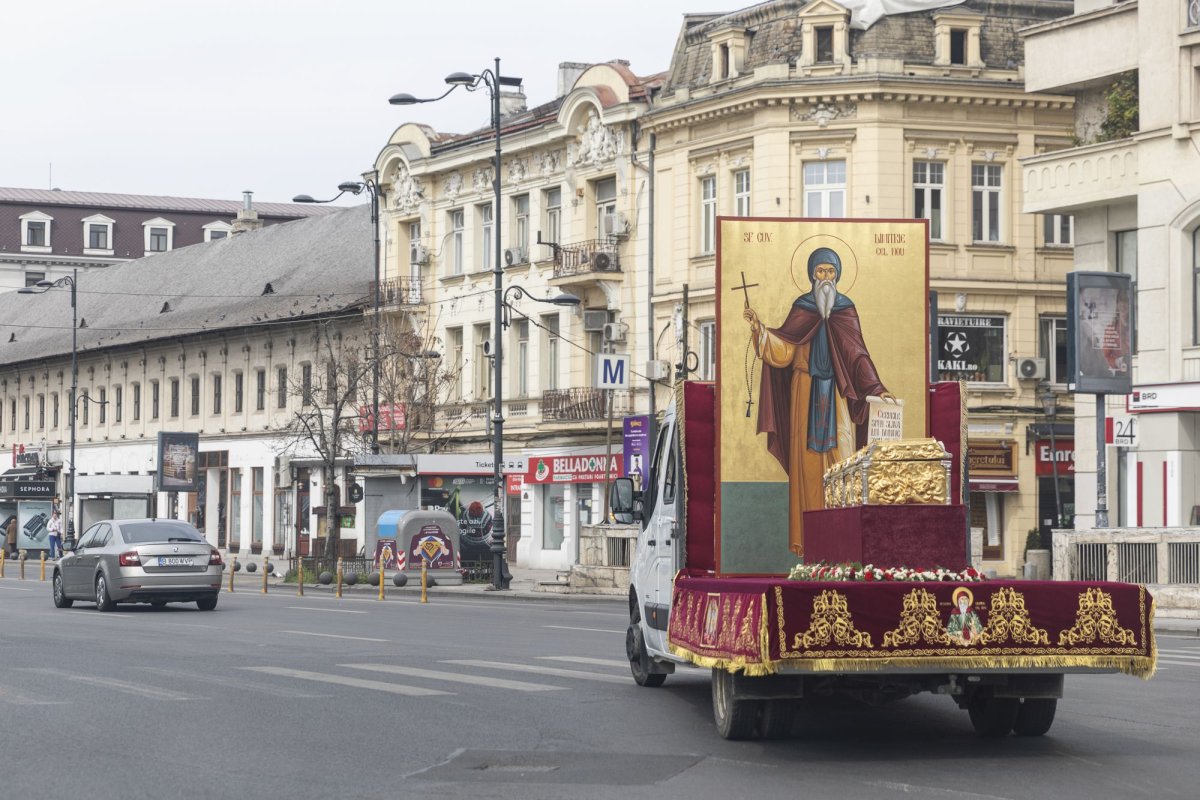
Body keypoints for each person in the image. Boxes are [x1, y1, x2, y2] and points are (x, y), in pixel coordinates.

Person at [744, 246, 894, 556]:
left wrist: (877, 388)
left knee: (843, 460)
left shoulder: (845, 309)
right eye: (820, 271)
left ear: (837, 276)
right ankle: (808, 539)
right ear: (812, 274)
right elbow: (785, 348)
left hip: (838, 394)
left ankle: (845, 540)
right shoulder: (803, 308)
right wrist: (760, 330)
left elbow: (857, 354)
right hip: (804, 389)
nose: (825, 277)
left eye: (831, 272)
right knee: (807, 466)